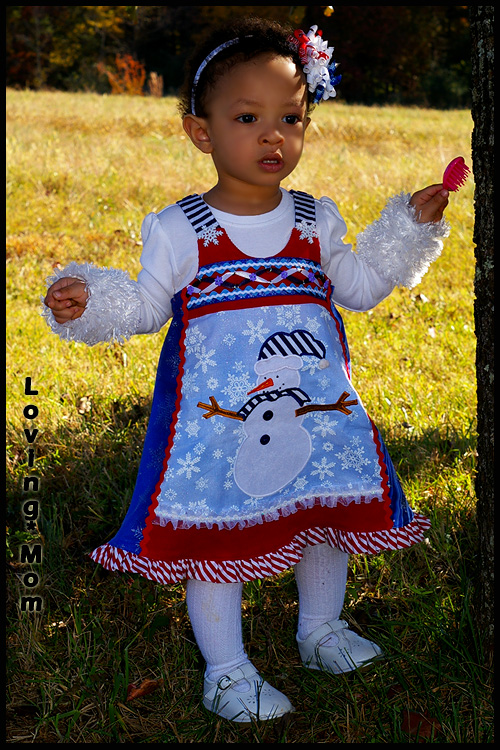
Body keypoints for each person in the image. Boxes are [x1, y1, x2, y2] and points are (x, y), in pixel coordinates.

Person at [42, 17, 450, 723]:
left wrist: (407, 228)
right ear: (200, 132)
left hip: (315, 412)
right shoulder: (181, 229)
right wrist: (87, 302)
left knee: (322, 515)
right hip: (220, 428)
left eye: (290, 118)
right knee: (217, 539)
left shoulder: (315, 221)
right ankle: (227, 670)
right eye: (247, 118)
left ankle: (321, 629)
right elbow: (145, 307)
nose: (272, 137)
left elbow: (359, 287)